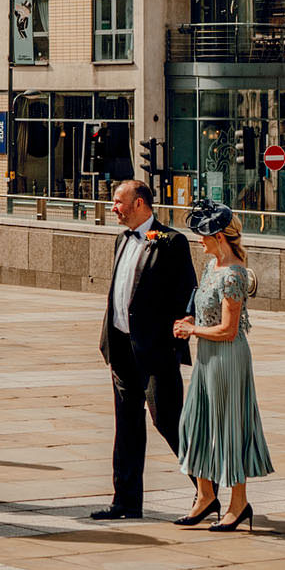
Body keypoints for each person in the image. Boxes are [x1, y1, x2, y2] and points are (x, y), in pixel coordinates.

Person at [94, 179, 199, 521]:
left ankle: (207, 490)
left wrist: (178, 334)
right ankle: (125, 501)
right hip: (121, 346)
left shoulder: (172, 242)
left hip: (155, 351)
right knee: (126, 424)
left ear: (139, 203)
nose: (114, 208)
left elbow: (188, 293)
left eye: (119, 202)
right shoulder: (121, 240)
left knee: (169, 421)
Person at [172, 199, 272, 532]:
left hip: (227, 358)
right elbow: (206, 310)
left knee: (229, 427)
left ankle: (238, 503)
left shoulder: (233, 274)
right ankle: (205, 496)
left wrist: (192, 329)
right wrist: (192, 318)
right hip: (207, 356)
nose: (198, 240)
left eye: (203, 235)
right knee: (195, 423)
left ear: (219, 237)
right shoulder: (211, 268)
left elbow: (229, 330)